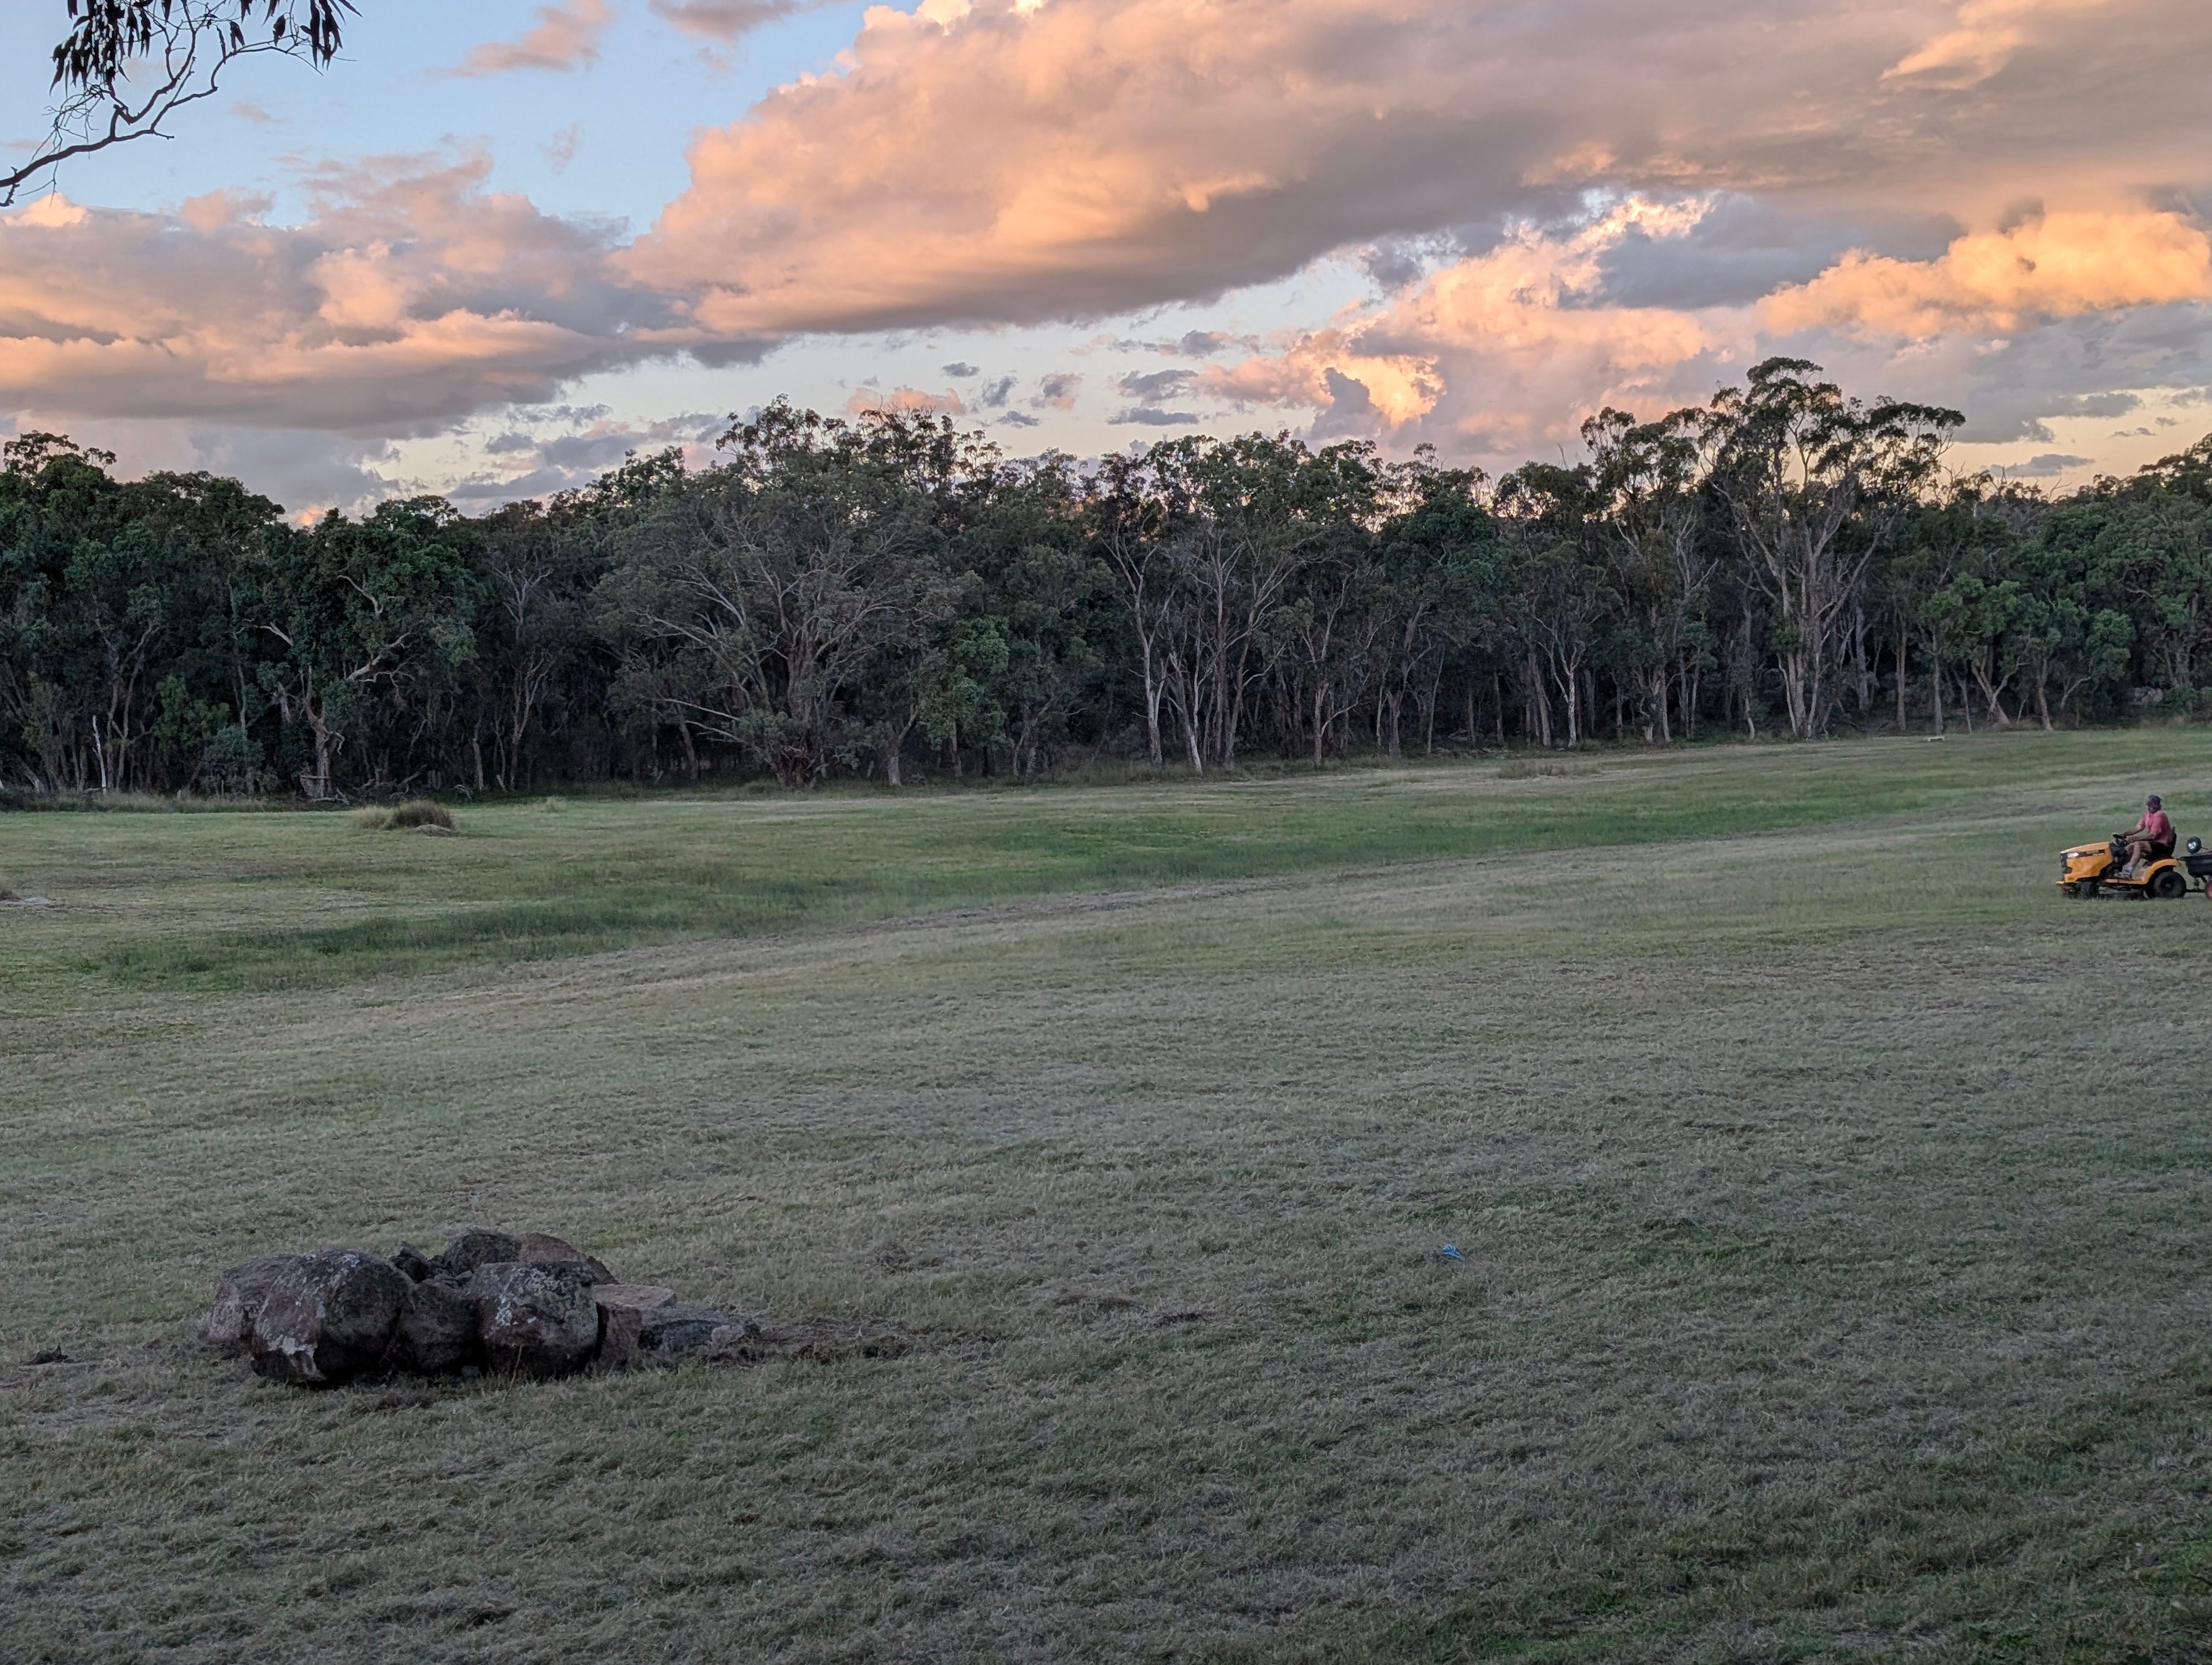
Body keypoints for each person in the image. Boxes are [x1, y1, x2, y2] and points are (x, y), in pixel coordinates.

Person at [2123, 794, 2176, 875]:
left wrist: (2135, 839)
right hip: (2154, 845)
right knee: (2131, 848)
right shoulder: (2148, 814)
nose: (2148, 808)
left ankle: (2129, 871)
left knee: (2138, 845)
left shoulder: (2159, 815)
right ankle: (2118, 868)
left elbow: (2153, 836)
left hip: (2162, 846)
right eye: (2148, 805)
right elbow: (2138, 827)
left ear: (2156, 806)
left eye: (2150, 806)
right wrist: (2124, 834)